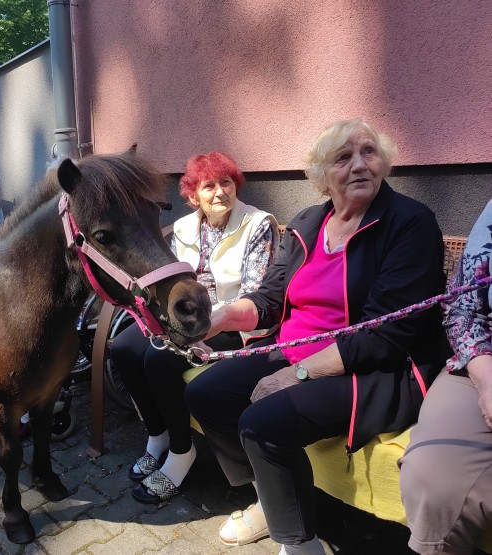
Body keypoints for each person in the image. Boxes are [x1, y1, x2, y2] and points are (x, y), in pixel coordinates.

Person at [184, 118, 450, 553]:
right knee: (207, 394)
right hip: (296, 350)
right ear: (322, 176)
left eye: (369, 152)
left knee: (261, 423)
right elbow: (269, 300)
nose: (360, 165)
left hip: (378, 369)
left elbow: (387, 334)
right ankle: (269, 502)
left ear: (384, 163)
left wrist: (299, 374)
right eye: (344, 157)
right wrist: (216, 318)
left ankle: (300, 544)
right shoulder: (308, 223)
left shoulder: (409, 223)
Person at [111, 151, 278, 504]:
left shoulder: (257, 224)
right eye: (209, 185)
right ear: (192, 195)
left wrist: (206, 325)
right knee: (124, 348)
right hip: (186, 320)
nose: (220, 192)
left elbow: (256, 292)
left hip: (235, 323)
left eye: (227, 182)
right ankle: (158, 436)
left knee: (160, 361)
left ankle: (181, 453)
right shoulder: (185, 227)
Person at [399, 199, 492, 554]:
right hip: (483, 357)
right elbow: (462, 304)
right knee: (432, 475)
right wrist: (486, 380)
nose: (358, 167)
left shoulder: (411, 221)